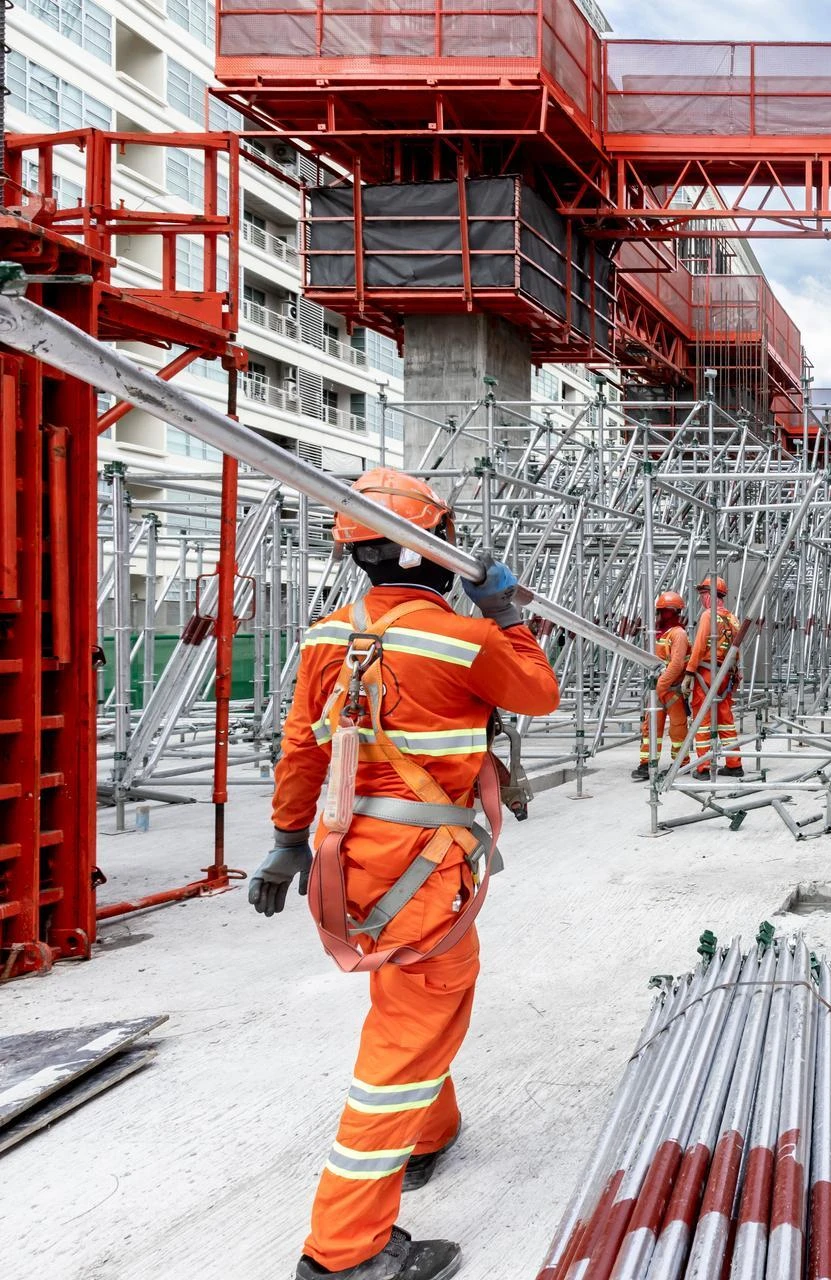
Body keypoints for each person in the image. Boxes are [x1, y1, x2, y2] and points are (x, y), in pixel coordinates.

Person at [248, 467, 560, 1280]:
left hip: (345, 860)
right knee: (412, 1028)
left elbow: (302, 748)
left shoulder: (324, 637)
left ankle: (428, 1134)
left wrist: (286, 841)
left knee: (417, 1002)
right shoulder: (464, 639)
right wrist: (507, 615)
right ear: (430, 552)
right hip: (422, 872)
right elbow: (539, 693)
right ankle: (345, 1250)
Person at [689, 575, 744, 778]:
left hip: (707, 673)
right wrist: (736, 673)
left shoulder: (708, 616)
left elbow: (699, 645)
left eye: (703, 594)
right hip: (726, 675)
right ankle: (734, 763)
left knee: (702, 717)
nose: (702, 598)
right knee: (725, 718)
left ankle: (703, 767)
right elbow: (737, 650)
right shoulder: (733, 618)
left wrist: (689, 671)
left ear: (710, 595)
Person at [633, 590, 690, 781]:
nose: (662, 616)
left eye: (666, 612)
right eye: (662, 612)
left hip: (672, 690)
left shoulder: (678, 634)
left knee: (678, 728)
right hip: (659, 689)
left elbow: (676, 664)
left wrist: (660, 687)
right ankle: (647, 762)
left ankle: (681, 762)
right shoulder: (657, 634)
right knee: (651, 728)